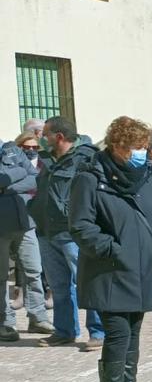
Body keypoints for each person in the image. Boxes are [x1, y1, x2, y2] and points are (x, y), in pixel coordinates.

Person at [69, 116, 152, 382]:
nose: (144, 152)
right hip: (109, 271)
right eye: (137, 147)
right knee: (117, 335)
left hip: (142, 270)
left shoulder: (146, 176)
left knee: (134, 333)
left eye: (145, 146)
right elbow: (80, 225)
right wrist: (112, 248)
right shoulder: (90, 178)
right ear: (118, 146)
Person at [32, 117, 103, 349]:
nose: (42, 139)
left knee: (87, 282)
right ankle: (64, 331)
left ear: (59, 137)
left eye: (46, 134)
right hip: (47, 231)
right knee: (58, 285)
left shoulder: (84, 159)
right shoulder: (46, 160)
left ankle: (99, 332)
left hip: (72, 233)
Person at [0, 130, 50, 342]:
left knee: (33, 271)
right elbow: (23, 174)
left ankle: (37, 317)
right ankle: (5, 322)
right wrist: (19, 174)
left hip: (26, 222)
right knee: (1, 277)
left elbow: (35, 177)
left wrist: (7, 188)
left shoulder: (11, 149)